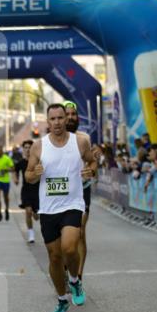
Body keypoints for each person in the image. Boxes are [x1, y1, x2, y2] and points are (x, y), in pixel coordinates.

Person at [25, 103, 94, 312]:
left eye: (60, 118)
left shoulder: (80, 141)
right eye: (52, 119)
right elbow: (28, 176)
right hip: (48, 209)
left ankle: (74, 280)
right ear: (48, 121)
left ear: (67, 119)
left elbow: (92, 162)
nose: (57, 122)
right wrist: (34, 174)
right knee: (55, 257)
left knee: (70, 248)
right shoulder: (38, 146)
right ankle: (62, 299)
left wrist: (90, 170)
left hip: (73, 204)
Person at [64, 101, 94, 299]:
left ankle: (78, 277)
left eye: (74, 114)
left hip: (82, 191)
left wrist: (92, 167)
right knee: (64, 240)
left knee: (80, 232)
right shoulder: (49, 141)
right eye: (67, 114)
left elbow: (92, 163)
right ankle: (68, 270)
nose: (71, 117)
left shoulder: (84, 138)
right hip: (59, 194)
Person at [16, 139, 39, 243]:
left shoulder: (38, 161)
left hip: (38, 190)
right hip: (26, 190)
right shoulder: (21, 162)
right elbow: (15, 172)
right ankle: (30, 233)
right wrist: (15, 179)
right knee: (28, 211)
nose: (28, 149)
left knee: (37, 216)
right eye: (25, 148)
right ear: (23, 149)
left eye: (30, 147)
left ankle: (36, 213)